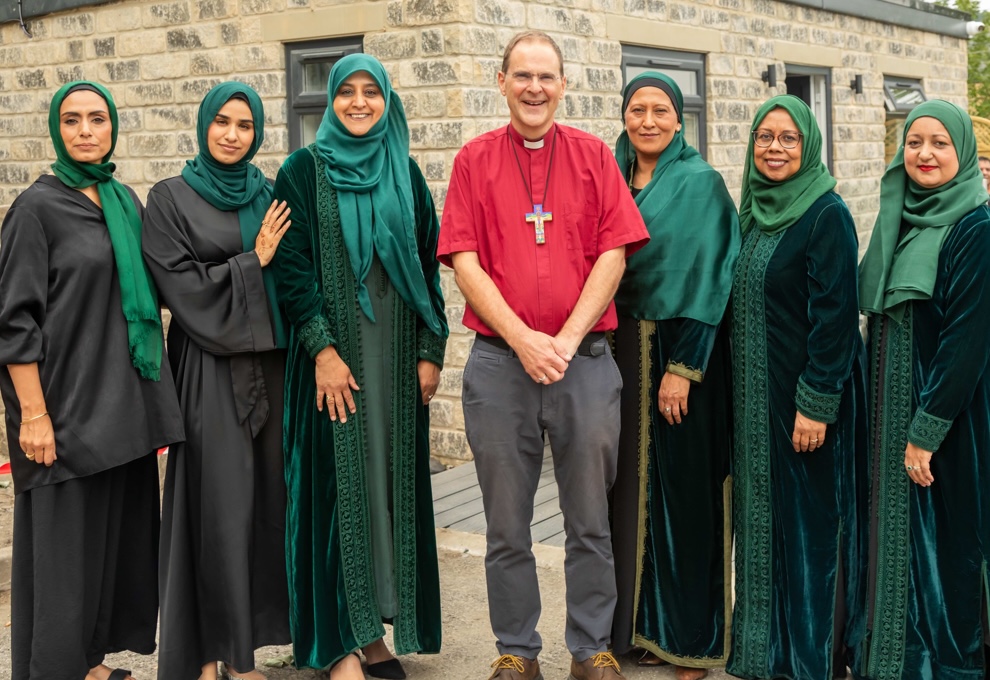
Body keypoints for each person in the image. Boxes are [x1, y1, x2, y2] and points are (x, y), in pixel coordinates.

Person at [438, 30, 650, 680]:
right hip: (501, 365)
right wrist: (525, 340)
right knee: (507, 525)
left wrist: (560, 340)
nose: (535, 88)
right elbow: (464, 261)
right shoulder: (474, 160)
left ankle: (590, 650)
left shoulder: (592, 157)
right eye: (522, 75)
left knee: (590, 520)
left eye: (546, 76)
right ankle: (516, 652)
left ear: (563, 85)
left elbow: (614, 253)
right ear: (500, 81)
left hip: (582, 361)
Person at [270, 53, 447, 680]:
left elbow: (428, 265)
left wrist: (430, 351)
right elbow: (288, 265)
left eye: (372, 91)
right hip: (332, 364)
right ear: (331, 101)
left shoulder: (405, 171)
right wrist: (321, 350)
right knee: (332, 494)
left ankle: (376, 636)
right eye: (347, 91)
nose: (359, 102)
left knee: (385, 492)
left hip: (396, 363)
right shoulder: (301, 170)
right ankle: (339, 644)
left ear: (388, 100)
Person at [0, 81, 183, 680]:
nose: (85, 131)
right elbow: (12, 323)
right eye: (73, 120)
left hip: (122, 409)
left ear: (113, 127)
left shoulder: (123, 199)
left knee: (107, 547)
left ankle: (89, 664)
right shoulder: (35, 209)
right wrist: (33, 414)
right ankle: (53, 668)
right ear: (57, 129)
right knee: (62, 555)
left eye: (97, 119)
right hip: (64, 410)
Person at [143, 82, 293, 680]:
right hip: (207, 369)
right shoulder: (169, 199)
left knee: (264, 507)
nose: (233, 135)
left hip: (272, 370)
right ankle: (209, 654)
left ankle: (245, 648)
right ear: (203, 124)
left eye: (245, 125)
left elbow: (295, 272)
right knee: (215, 507)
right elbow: (179, 288)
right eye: (222, 123)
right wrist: (253, 261)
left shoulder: (268, 192)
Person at [726, 95, 866, 680]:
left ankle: (809, 658)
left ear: (807, 146)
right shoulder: (752, 211)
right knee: (763, 522)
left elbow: (836, 316)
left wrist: (816, 403)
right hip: (756, 401)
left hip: (807, 401)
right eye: (765, 137)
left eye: (788, 138)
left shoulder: (826, 213)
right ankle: (761, 653)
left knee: (809, 531)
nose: (775, 148)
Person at [608, 72, 739, 680]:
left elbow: (712, 280)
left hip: (682, 356)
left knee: (685, 499)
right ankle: (630, 630)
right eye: (638, 109)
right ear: (625, 116)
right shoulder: (608, 177)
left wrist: (684, 368)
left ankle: (690, 640)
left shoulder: (701, 184)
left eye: (662, 110)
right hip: (616, 350)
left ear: (680, 119)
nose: (649, 121)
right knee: (622, 495)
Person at [857, 100, 990, 679]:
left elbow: (967, 340)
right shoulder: (900, 217)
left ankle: (943, 665)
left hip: (946, 423)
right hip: (889, 414)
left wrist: (925, 430)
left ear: (961, 153)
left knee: (944, 548)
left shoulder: (975, 228)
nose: (925, 154)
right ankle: (891, 657)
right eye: (914, 142)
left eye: (940, 143)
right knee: (896, 540)